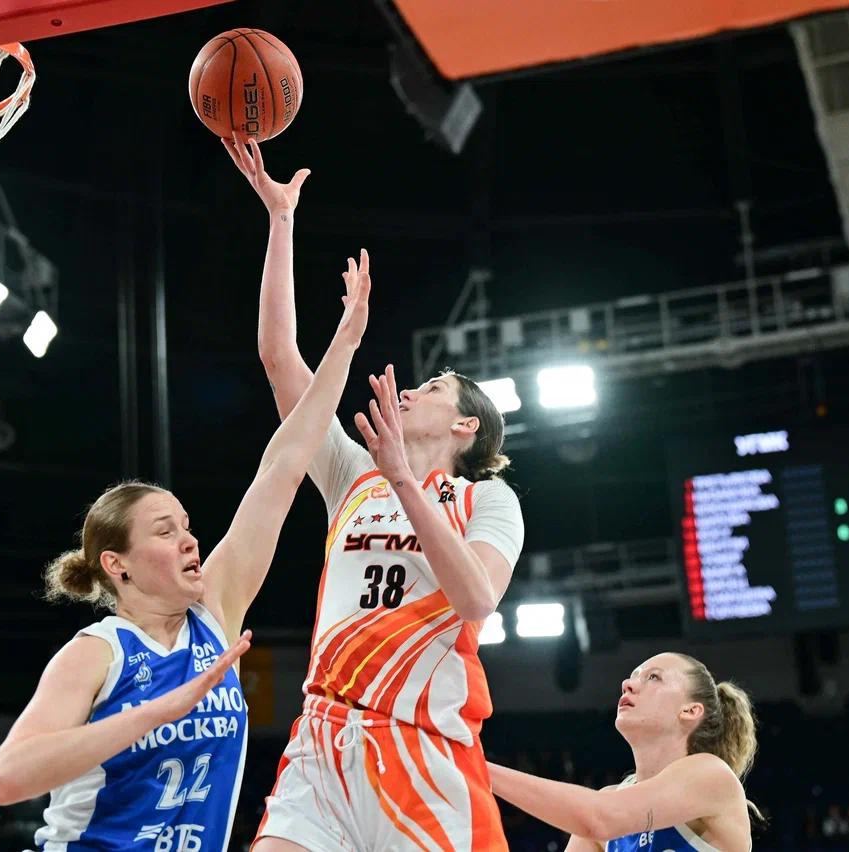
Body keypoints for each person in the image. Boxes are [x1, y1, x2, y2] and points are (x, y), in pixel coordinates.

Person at [0, 253, 373, 852]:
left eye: (187, 526)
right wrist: (154, 712)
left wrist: (343, 343)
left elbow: (285, 465)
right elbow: (7, 779)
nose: (190, 540)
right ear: (117, 564)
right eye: (165, 532)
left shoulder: (215, 611)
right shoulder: (96, 653)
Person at [225, 135, 526, 851]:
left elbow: (476, 601)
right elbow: (278, 359)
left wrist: (404, 483)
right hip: (324, 736)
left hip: (422, 748)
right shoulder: (351, 473)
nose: (414, 388)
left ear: (465, 425)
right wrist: (280, 220)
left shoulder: (486, 501)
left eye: (435, 387)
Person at [486, 653, 758, 851]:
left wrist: (479, 769)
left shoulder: (711, 775)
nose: (628, 683)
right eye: (633, 676)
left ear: (690, 710)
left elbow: (601, 818)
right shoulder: (609, 800)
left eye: (653, 677)